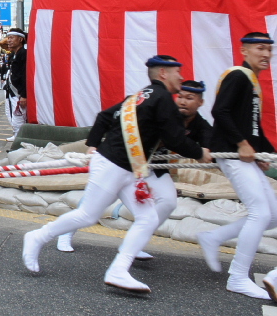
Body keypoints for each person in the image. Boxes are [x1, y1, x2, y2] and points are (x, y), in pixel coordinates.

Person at [22, 55, 211, 293]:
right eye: (178, 72)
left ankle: (119, 270)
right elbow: (175, 139)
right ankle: (38, 236)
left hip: (128, 168)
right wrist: (199, 152)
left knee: (148, 218)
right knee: (88, 215)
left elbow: (109, 117)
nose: (181, 78)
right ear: (163, 73)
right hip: (113, 165)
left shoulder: (142, 96)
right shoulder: (162, 98)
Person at [56, 79, 212, 255]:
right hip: (123, 160)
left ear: (200, 102)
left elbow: (207, 143)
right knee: (99, 201)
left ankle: (134, 243)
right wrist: (93, 145)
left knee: (168, 201)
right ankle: (65, 231)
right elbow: (105, 117)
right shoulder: (152, 105)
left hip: (153, 166)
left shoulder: (199, 124)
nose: (183, 102)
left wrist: (206, 151)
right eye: (180, 97)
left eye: (189, 98)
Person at [198, 32, 277, 300]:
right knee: (260, 213)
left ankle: (214, 237)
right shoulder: (238, 75)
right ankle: (238, 277)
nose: (266, 54)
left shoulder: (252, 81)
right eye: (259, 48)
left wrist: (266, 153)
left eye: (269, 50)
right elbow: (220, 111)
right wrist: (242, 144)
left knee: (272, 215)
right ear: (244, 51)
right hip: (232, 153)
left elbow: (253, 127)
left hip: (242, 154)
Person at [3, 29, 27, 141]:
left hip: (19, 92)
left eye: (12, 38)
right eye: (8, 38)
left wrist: (24, 95)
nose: (9, 40)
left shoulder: (24, 54)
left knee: (19, 116)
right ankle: (16, 133)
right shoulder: (13, 54)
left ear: (21, 39)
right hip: (11, 90)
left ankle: (20, 137)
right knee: (10, 114)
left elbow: (25, 75)